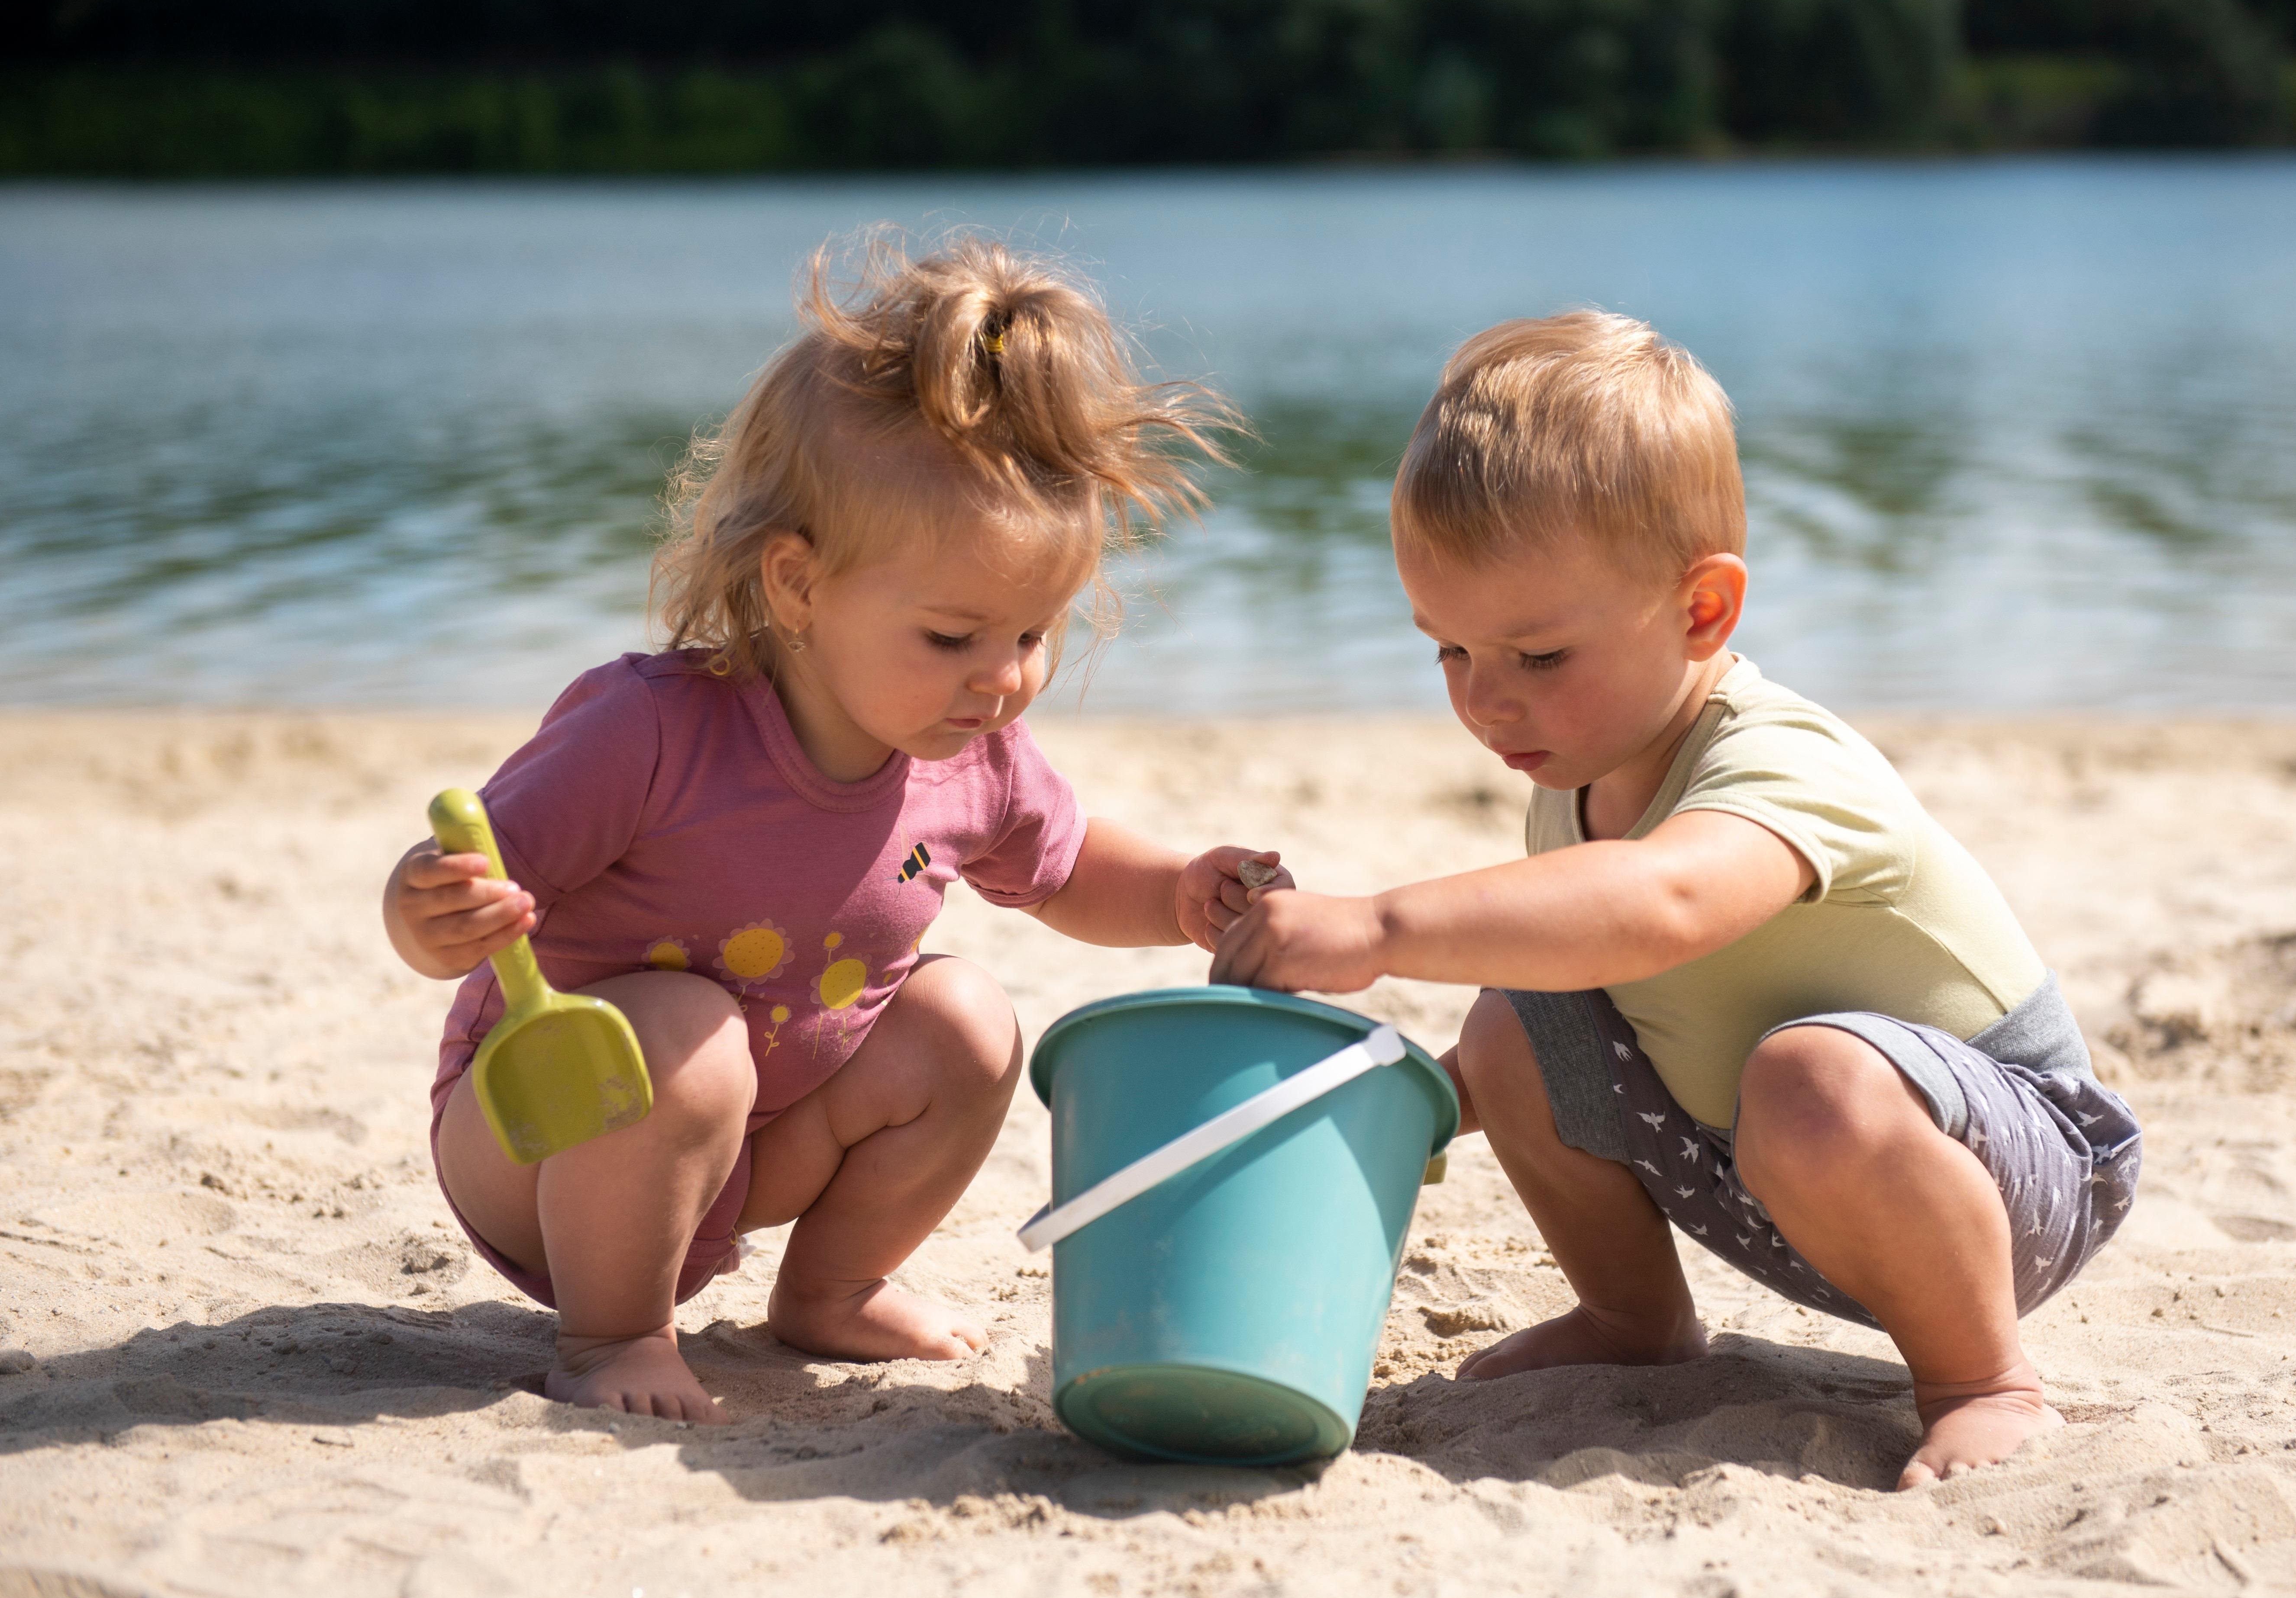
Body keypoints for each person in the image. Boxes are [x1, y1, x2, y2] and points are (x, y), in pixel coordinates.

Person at [1211, 312, 2141, 1489]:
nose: (1486, 704)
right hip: (1766, 1170)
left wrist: (1381, 928)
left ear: (1702, 611)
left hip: (2010, 1176)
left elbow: (1665, 907)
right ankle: (1636, 1324)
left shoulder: (1784, 762)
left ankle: (1984, 1380)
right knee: (1513, 1018)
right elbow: (1596, 977)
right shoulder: (1578, 772)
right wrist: (1415, 1101)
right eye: (1447, 652)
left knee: (1809, 1079)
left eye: (1537, 658)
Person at [383, 235, 1280, 1424]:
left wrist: (1179, 891)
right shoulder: (648, 733)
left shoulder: (973, 756)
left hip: (751, 1147)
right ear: (798, 586)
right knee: (690, 1029)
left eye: (1031, 635)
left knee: (969, 1018)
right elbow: (462, 879)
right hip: (547, 1135)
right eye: (954, 638)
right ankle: (612, 1339)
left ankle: (834, 1289)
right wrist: (430, 911)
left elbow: (1065, 870)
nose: (1003, 680)